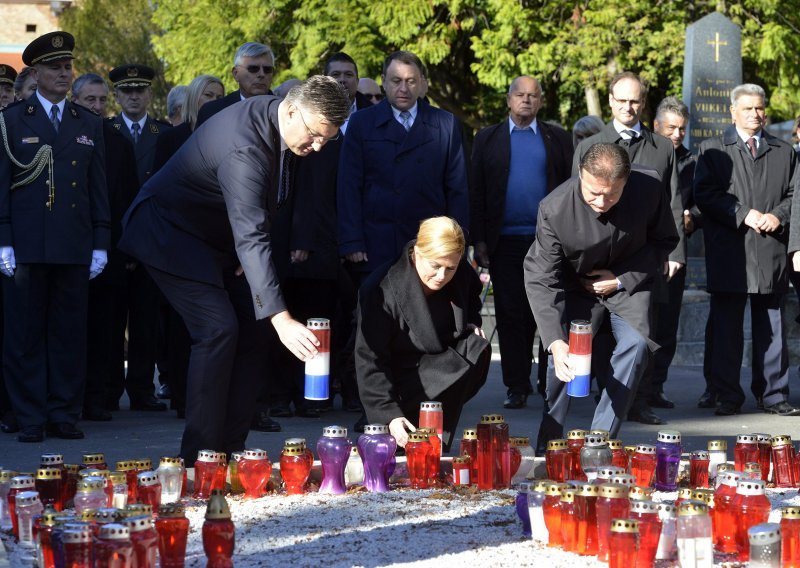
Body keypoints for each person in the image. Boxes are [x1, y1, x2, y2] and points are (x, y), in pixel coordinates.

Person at [118, 76, 351, 461]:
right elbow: (251, 234)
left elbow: (260, 217)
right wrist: (282, 318)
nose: (318, 146)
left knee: (255, 330)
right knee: (218, 329)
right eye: (314, 135)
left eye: (328, 139)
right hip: (168, 234)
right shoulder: (245, 147)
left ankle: (231, 448)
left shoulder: (279, 119)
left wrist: (262, 300)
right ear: (292, 110)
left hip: (215, 239)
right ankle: (201, 458)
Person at [525, 143, 678, 445]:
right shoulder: (554, 209)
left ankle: (599, 440)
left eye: (612, 194)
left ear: (627, 181)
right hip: (577, 288)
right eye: (594, 192)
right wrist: (555, 341)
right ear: (581, 174)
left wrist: (622, 279)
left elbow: (664, 240)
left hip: (627, 286)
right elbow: (542, 277)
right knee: (565, 353)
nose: (602, 201)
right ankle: (550, 439)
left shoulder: (649, 188)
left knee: (635, 346)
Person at [0, 31, 110, 443]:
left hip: (72, 241)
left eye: (67, 67)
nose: (64, 74)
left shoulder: (88, 123)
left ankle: (63, 412)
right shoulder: (12, 119)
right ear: (36, 72)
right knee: (24, 335)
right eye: (55, 68)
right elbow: (2, 183)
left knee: (68, 333)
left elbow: (98, 187)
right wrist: (3, 237)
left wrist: (101, 240)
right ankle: (30, 416)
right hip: (26, 243)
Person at [572, 71, 685, 425]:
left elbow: (672, 200)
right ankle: (606, 397)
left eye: (635, 100)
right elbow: (575, 201)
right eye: (621, 100)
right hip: (598, 253)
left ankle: (639, 402)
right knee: (604, 334)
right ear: (609, 102)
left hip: (643, 255)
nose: (628, 107)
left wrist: (675, 253)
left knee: (644, 329)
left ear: (643, 102)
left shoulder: (662, 147)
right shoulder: (591, 145)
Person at [695, 83, 800, 417]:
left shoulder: (783, 150)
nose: (755, 114)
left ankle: (774, 394)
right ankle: (727, 394)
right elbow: (705, 194)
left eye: (760, 108)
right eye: (748, 108)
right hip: (731, 251)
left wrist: (777, 216)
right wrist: (743, 213)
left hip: (770, 250)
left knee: (772, 327)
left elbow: (795, 195)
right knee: (727, 329)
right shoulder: (713, 149)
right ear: (733, 111)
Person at [470, 75, 573, 410]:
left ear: (540, 101)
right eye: (520, 95)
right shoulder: (487, 139)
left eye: (533, 95)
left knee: (548, 312)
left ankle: (549, 381)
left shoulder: (556, 138)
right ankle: (517, 385)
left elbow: (569, 189)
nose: (526, 100)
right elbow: (478, 191)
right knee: (511, 315)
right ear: (508, 99)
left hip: (546, 241)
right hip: (505, 241)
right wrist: (480, 239)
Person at [356, 217, 490, 451]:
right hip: (397, 376)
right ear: (417, 252)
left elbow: (472, 294)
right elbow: (370, 359)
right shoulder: (381, 289)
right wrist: (388, 414)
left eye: (450, 268)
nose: (441, 276)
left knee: (476, 347)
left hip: (439, 362)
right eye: (435, 266)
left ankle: (434, 433)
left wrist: (471, 321)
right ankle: (395, 421)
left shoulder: (459, 273)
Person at [338, 50, 469, 278]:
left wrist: (456, 240)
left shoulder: (446, 124)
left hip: (428, 245)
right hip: (375, 242)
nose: (404, 88)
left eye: (411, 81)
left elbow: (457, 188)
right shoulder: (361, 122)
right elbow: (348, 185)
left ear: (421, 84)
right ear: (384, 82)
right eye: (396, 81)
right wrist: (351, 240)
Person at [150, 73, 225, 420]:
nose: (213, 99)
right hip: (178, 241)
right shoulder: (172, 138)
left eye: (219, 94)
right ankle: (180, 394)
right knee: (180, 324)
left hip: (216, 242)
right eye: (207, 94)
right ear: (194, 99)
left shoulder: (225, 137)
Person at [72, 73, 140, 422]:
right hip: (69, 251)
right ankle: (69, 398)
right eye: (89, 100)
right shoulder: (65, 136)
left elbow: (128, 202)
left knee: (105, 331)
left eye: (101, 100)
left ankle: (97, 398)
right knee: (70, 329)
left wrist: (125, 252)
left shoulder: (118, 143)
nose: (97, 107)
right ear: (75, 101)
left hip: (110, 252)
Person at [108, 63, 171, 413]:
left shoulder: (163, 132)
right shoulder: (105, 130)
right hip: (116, 239)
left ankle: (142, 389)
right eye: (126, 91)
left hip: (150, 239)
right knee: (112, 319)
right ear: (117, 95)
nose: (133, 96)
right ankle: (111, 388)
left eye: (140, 90)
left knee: (147, 321)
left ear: (149, 94)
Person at [650, 96, 698, 410]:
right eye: (672, 127)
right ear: (656, 126)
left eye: (682, 128)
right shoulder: (644, 152)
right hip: (644, 251)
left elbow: (703, 199)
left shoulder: (693, 161)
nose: (678, 134)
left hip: (674, 252)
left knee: (666, 326)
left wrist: (694, 214)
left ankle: (656, 387)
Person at [196, 42, 275, 126]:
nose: (261, 74)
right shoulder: (213, 111)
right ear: (236, 73)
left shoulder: (284, 110)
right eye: (253, 69)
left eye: (267, 69)